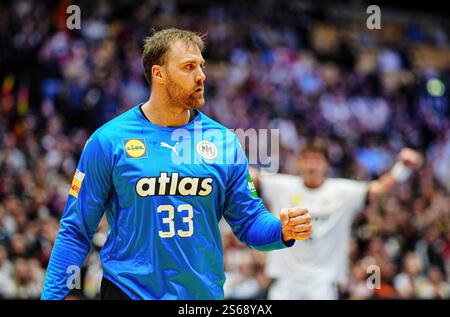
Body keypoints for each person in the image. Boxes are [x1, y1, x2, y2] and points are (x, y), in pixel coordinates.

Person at [40, 28, 312, 300]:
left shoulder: (224, 142)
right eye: (189, 67)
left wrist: (282, 230)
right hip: (128, 293)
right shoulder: (108, 141)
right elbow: (76, 231)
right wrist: (52, 297)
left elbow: (250, 221)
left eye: (202, 66)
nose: (201, 75)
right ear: (159, 74)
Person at [251, 138, 423, 300]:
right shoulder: (281, 186)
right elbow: (250, 178)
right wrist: (227, 153)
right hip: (285, 282)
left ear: (326, 164)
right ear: (299, 162)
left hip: (323, 284)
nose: (311, 165)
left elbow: (378, 189)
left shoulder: (342, 192)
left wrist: (403, 167)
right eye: (306, 159)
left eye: (317, 160)